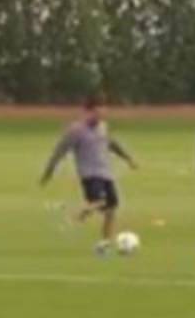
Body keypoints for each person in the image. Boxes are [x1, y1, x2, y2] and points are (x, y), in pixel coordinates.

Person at [39, 94, 138, 255]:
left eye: (103, 111)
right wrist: (49, 171)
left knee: (112, 208)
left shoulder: (103, 127)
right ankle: (74, 216)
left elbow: (112, 144)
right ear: (88, 111)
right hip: (89, 174)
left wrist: (127, 158)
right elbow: (60, 151)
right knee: (98, 201)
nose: (102, 114)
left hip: (106, 173)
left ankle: (105, 243)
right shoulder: (76, 131)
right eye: (98, 111)